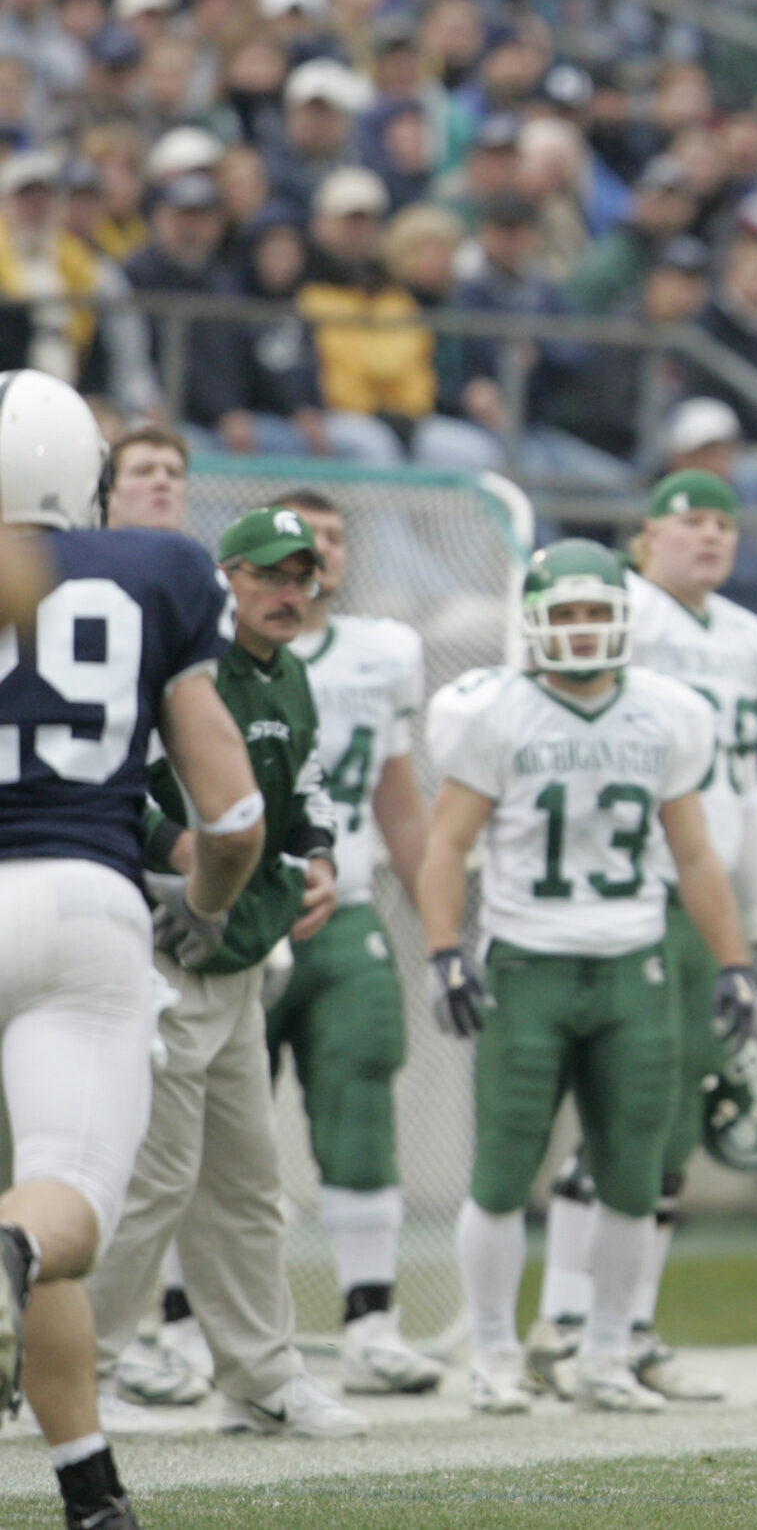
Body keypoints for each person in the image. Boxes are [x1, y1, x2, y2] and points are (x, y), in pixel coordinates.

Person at [0, 371, 263, 1529]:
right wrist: (202, 903)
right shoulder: (155, 572)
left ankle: (89, 1486)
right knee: (57, 1211)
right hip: (79, 904)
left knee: (24, 1234)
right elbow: (236, 816)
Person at [419, 540, 757, 1415]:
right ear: (533, 621)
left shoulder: (664, 712)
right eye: (563, 612)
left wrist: (734, 961)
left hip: (631, 965)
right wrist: (444, 948)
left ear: (621, 616)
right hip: (528, 964)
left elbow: (694, 853)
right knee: (502, 1171)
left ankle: (607, 1350)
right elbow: (447, 843)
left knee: (632, 1171)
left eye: (592, 611)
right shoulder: (494, 710)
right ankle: (495, 1350)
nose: (579, 629)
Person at [87, 506, 368, 1439]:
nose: (290, 592)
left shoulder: (288, 677)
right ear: (226, 578)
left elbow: (307, 785)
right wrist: (179, 863)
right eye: (269, 575)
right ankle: (74, 1367)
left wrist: (318, 853)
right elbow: (106, 778)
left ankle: (257, 1374)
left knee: (247, 1178)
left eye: (301, 576)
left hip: (242, 951)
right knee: (155, 1176)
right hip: (166, 950)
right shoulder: (176, 667)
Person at [532, 470, 757, 1402]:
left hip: (707, 903)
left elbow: (745, 790)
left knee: (674, 1123)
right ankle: (563, 1320)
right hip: (627, 890)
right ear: (647, 535)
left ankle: (628, 1325)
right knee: (614, 1113)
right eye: (692, 520)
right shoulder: (618, 606)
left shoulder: (750, 637)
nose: (711, 536)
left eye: (726, 520)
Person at [266, 489, 442, 1390]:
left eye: (334, 537)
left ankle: (372, 1319)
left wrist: (445, 931)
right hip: (236, 911)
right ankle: (183, 1328)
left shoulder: (384, 654)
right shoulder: (213, 645)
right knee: (212, 1132)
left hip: (353, 906)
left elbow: (400, 805)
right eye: (301, 536)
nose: (319, 551)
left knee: (363, 1102)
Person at [102, 427, 188, 532]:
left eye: (173, 473)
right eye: (144, 472)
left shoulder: (196, 548)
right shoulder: (82, 547)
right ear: (109, 492)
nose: (162, 481)